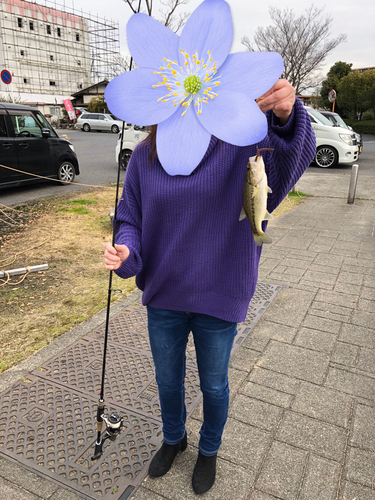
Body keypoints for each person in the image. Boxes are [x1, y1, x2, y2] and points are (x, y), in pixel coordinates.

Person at [104, 79, 316, 494]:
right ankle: (173, 439)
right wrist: (126, 249)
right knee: (167, 380)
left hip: (220, 290)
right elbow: (129, 217)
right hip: (164, 293)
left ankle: (209, 450)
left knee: (213, 384)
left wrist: (287, 116)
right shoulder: (144, 157)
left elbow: (286, 166)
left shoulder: (238, 144)